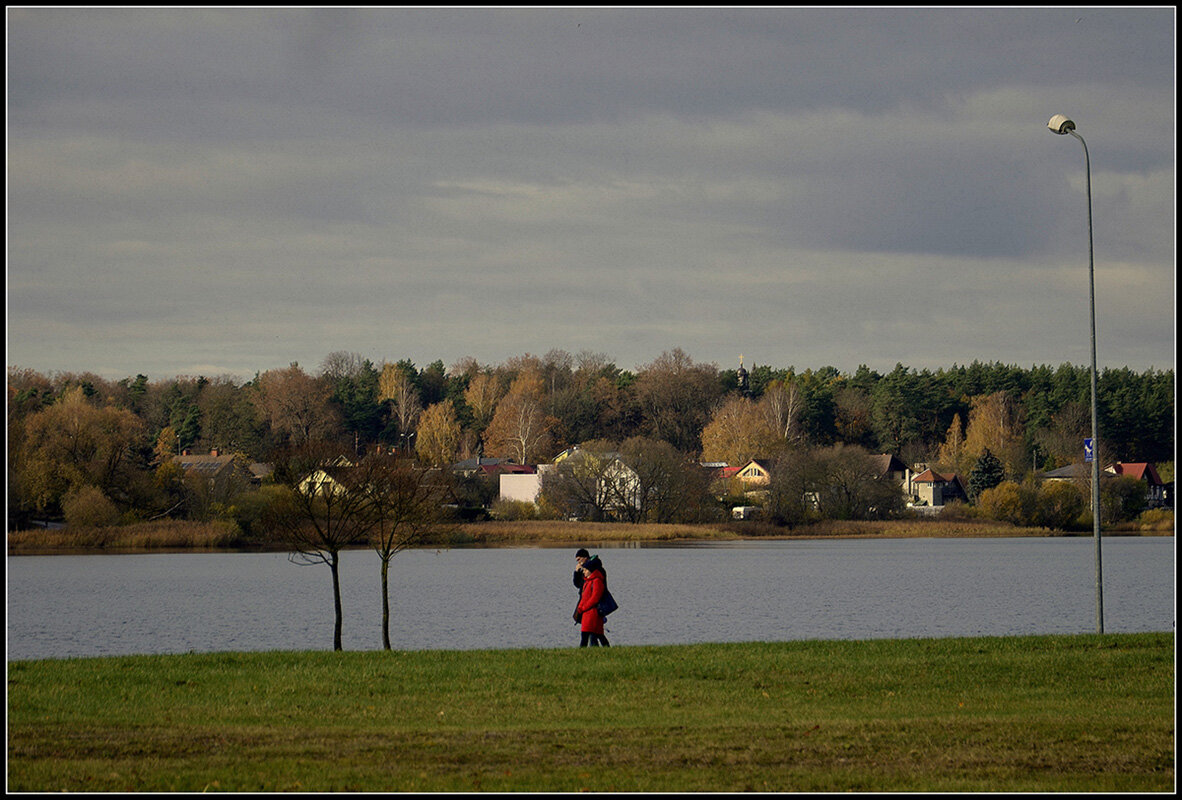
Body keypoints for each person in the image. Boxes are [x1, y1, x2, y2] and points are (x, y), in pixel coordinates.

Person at [574, 557, 610, 647]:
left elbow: (595, 598)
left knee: (588, 635)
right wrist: (580, 608)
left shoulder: (597, 581)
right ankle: (606, 649)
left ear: (591, 571)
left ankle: (582, 654)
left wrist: (583, 608)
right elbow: (583, 597)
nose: (584, 572)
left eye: (585, 570)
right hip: (586, 613)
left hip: (593, 613)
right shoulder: (587, 582)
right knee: (594, 635)